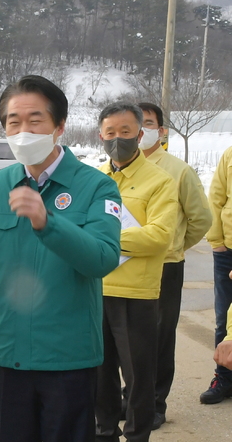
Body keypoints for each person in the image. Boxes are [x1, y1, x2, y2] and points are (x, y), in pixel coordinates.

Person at [0, 75, 122, 442]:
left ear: (59, 126)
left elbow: (103, 258)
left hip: (68, 357)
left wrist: (47, 222)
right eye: (13, 122)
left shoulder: (96, 186)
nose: (23, 132)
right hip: (9, 353)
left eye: (35, 121)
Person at [95, 102, 177, 442]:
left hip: (136, 295)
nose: (118, 139)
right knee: (99, 374)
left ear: (140, 134)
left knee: (138, 376)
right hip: (96, 289)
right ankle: (104, 432)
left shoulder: (159, 181)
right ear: (100, 136)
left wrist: (106, 237)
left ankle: (138, 435)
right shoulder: (95, 178)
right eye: (110, 133)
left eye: (126, 132)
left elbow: (159, 237)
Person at [135, 102, 211, 427]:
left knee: (158, 337)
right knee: (124, 336)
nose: (140, 131)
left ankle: (154, 405)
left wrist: (175, 245)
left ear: (161, 131)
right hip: (121, 266)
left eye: (147, 123)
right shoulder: (113, 169)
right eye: (133, 124)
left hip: (164, 267)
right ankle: (128, 398)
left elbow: (201, 218)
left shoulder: (179, 171)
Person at [202, 144, 232, 404]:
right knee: (224, 317)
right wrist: (217, 241)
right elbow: (216, 198)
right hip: (227, 250)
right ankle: (224, 377)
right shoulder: (230, 154)